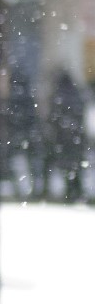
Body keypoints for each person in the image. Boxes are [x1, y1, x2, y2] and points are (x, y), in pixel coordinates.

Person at [44, 69, 87, 203]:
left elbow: (53, 117)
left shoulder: (58, 96)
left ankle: (70, 192)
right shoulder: (76, 94)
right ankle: (77, 192)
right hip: (76, 138)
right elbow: (81, 114)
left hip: (62, 139)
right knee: (76, 167)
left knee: (66, 167)